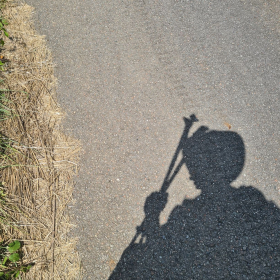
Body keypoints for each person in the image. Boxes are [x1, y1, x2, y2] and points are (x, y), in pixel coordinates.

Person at [109, 116, 280, 279]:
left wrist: (152, 215)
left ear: (210, 169)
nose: (190, 175)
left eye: (194, 168)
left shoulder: (188, 215)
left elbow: (160, 254)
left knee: (132, 258)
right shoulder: (252, 199)